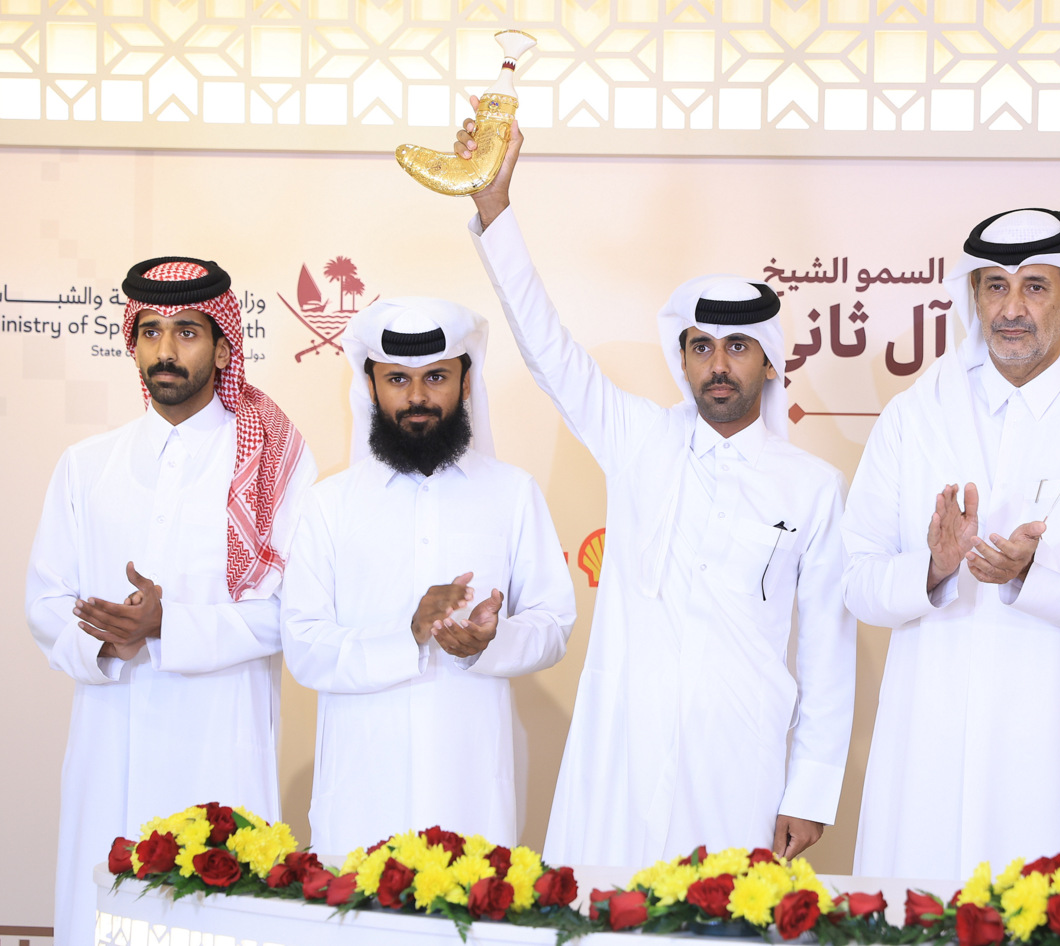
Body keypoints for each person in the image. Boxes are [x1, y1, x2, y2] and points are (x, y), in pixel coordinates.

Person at [457, 112, 855, 866]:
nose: (718, 365)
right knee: (599, 907)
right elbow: (549, 352)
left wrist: (810, 790)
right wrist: (495, 208)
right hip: (622, 750)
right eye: (701, 347)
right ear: (684, 357)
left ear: (769, 361)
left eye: (738, 347)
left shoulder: (813, 488)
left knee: (720, 913)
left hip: (738, 761)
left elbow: (829, 651)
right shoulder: (639, 438)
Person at [843, 209, 1060, 880]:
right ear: (975, 296)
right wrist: (933, 568)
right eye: (995, 286)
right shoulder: (913, 417)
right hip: (931, 746)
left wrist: (1034, 575)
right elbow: (857, 584)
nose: (1012, 308)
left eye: (1035, 287)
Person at [27, 257, 316, 945]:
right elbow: (45, 601)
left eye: (187, 331)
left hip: (217, 738)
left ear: (223, 347)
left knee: (213, 921)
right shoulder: (86, 464)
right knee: (101, 914)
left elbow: (292, 612)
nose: (166, 350)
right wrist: (109, 635)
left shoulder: (273, 460)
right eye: (150, 331)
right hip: (109, 739)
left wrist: (168, 627)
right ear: (132, 344)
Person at [281, 299, 575, 856]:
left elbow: (553, 623)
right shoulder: (328, 504)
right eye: (397, 379)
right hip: (362, 796)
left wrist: (490, 641)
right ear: (371, 388)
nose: (417, 397)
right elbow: (304, 647)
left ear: (465, 383)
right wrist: (408, 636)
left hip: (470, 791)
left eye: (436, 377)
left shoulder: (512, 493)